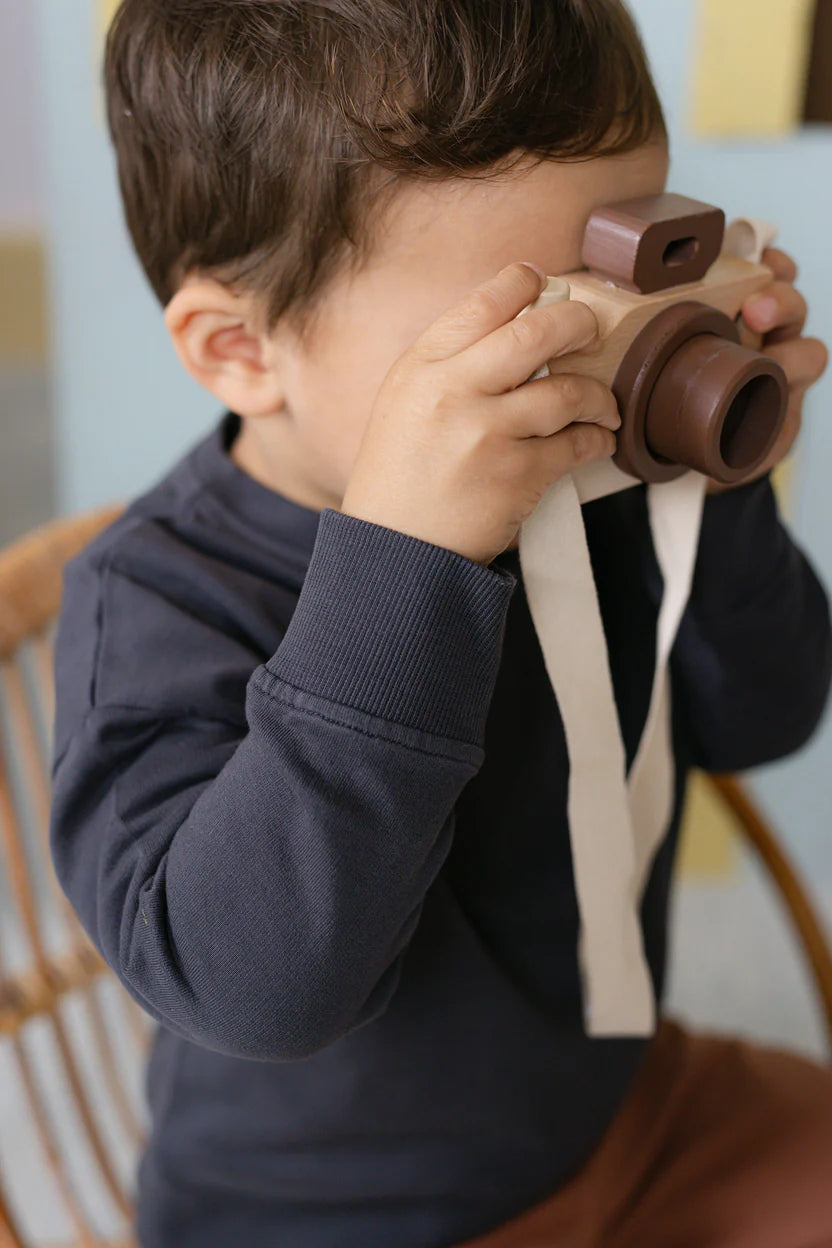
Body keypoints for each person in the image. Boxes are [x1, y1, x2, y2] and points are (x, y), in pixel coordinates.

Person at [49, 2, 832, 1246]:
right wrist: (406, 564)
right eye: (525, 337)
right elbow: (255, 991)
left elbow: (765, 716)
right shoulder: (154, 600)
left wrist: (714, 488)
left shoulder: (591, 483)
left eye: (627, 268)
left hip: (621, 1112)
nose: (599, 360)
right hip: (333, 1214)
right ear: (240, 348)